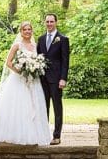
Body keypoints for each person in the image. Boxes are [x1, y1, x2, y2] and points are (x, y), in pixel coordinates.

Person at [0, 22, 53, 149]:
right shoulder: (17, 45)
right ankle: (15, 134)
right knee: (18, 106)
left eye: (29, 29)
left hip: (33, 81)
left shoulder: (35, 45)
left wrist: (35, 68)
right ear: (21, 32)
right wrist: (21, 71)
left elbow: (39, 60)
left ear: (31, 31)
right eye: (25, 29)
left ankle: (35, 135)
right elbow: (8, 63)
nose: (27, 31)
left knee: (34, 105)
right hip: (19, 80)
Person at [36, 13, 69, 145]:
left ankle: (57, 135)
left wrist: (63, 78)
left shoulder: (63, 39)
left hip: (56, 79)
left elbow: (65, 60)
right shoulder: (41, 39)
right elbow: (38, 58)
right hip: (42, 79)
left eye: (51, 21)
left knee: (57, 107)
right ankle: (44, 135)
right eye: (47, 22)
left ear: (56, 22)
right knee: (43, 108)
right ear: (45, 23)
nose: (49, 24)